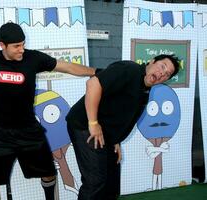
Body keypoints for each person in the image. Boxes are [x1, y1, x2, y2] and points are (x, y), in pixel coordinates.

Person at [0, 22, 96, 200]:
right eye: (17, 46)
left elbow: (68, 67)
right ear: (2, 45)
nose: (22, 49)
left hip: (28, 130)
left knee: (49, 172)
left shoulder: (33, 58)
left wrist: (96, 72)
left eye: (23, 44)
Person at [66, 54, 180, 200]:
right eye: (162, 66)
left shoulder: (145, 88)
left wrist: (116, 140)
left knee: (112, 181)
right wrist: (93, 123)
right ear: (151, 61)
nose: (162, 74)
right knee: (95, 181)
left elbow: (120, 113)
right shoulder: (129, 70)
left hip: (107, 133)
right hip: (84, 124)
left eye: (167, 74)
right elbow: (93, 84)